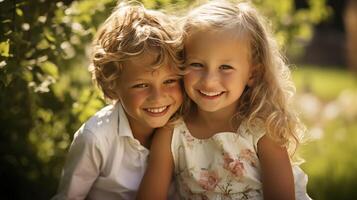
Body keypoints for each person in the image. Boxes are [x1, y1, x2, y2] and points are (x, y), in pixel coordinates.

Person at [137, 1, 311, 200]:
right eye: (196, 64)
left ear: (252, 73)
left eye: (225, 67)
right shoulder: (172, 132)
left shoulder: (261, 131)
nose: (209, 81)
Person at [52, 1, 183, 200]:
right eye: (141, 85)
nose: (158, 97)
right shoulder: (96, 138)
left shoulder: (186, 128)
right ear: (113, 85)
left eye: (170, 81)